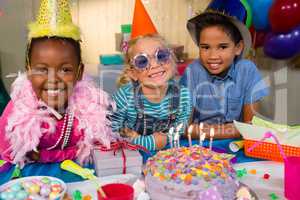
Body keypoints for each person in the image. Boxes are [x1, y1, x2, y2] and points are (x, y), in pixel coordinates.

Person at [0, 0, 114, 183]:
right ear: (28, 70)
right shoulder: (17, 112)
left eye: (65, 69)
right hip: (29, 181)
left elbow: (95, 148)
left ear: (79, 72)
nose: (53, 79)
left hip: (78, 180)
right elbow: (9, 152)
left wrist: (44, 155)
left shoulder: (89, 109)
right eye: (42, 69)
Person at [180, 11, 269, 139]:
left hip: (236, 147)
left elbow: (250, 127)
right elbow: (183, 127)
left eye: (222, 47)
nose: (213, 56)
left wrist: (205, 130)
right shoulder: (193, 71)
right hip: (198, 146)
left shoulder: (247, 70)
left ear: (238, 48)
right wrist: (232, 129)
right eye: (205, 47)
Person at [111, 34, 192, 151]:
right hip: (132, 155)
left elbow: (180, 128)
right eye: (142, 61)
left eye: (161, 55)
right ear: (133, 73)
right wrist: (144, 142)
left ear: (172, 60)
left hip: (169, 155)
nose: (154, 65)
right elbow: (111, 131)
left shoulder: (183, 96)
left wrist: (166, 138)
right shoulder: (125, 97)